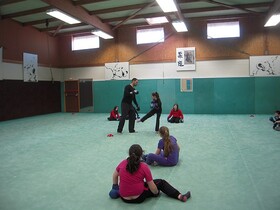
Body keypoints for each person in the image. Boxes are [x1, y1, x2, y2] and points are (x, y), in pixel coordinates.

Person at [109, 144, 191, 204]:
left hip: (124, 198)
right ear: (141, 154)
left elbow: (115, 175)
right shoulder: (143, 167)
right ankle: (180, 196)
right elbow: (151, 185)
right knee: (161, 183)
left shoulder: (122, 163)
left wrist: (115, 187)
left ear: (129, 154)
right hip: (139, 198)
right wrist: (156, 193)